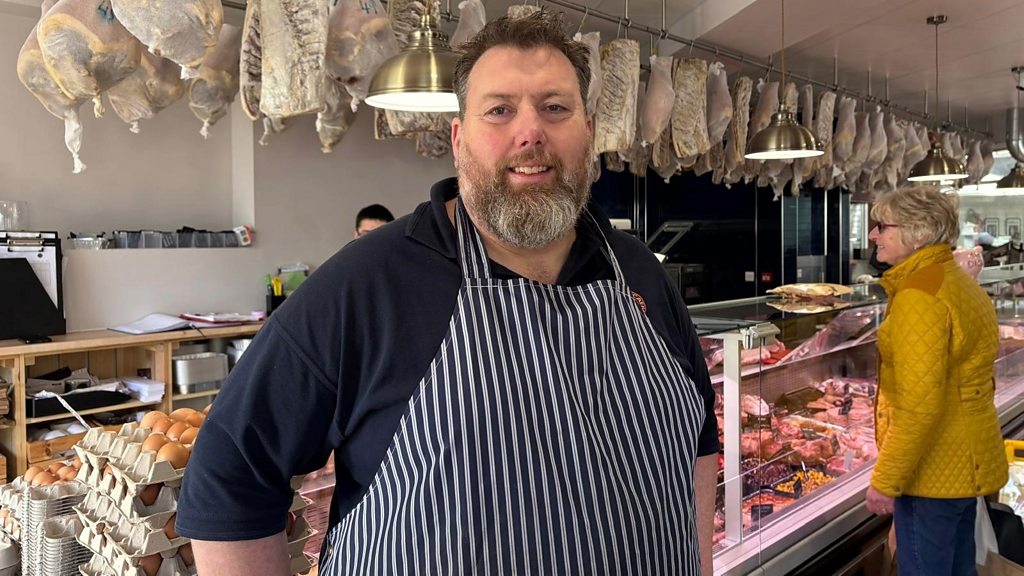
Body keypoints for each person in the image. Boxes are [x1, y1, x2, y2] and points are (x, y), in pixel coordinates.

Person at [177, 10, 718, 576]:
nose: (530, 131)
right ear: (459, 140)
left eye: (555, 108)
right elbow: (229, 473)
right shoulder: (367, 283)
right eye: (499, 110)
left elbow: (698, 434)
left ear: (588, 132)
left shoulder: (637, 270)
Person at [864, 186, 1008, 576]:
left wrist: (886, 480)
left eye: (882, 226)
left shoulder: (920, 295)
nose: (873, 235)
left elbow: (918, 405)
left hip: (931, 474)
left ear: (917, 233)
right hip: (961, 464)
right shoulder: (955, 281)